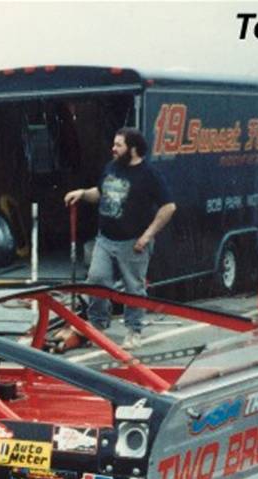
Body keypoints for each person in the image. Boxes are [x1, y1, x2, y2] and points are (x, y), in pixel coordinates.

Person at [64, 127, 176, 349]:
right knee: (96, 280)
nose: (113, 149)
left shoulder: (149, 175)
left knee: (133, 288)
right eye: (114, 144)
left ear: (133, 149)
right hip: (105, 239)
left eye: (118, 145)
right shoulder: (112, 167)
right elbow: (100, 192)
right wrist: (83, 193)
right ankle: (97, 326)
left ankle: (134, 331)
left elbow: (169, 207)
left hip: (132, 243)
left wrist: (147, 236)